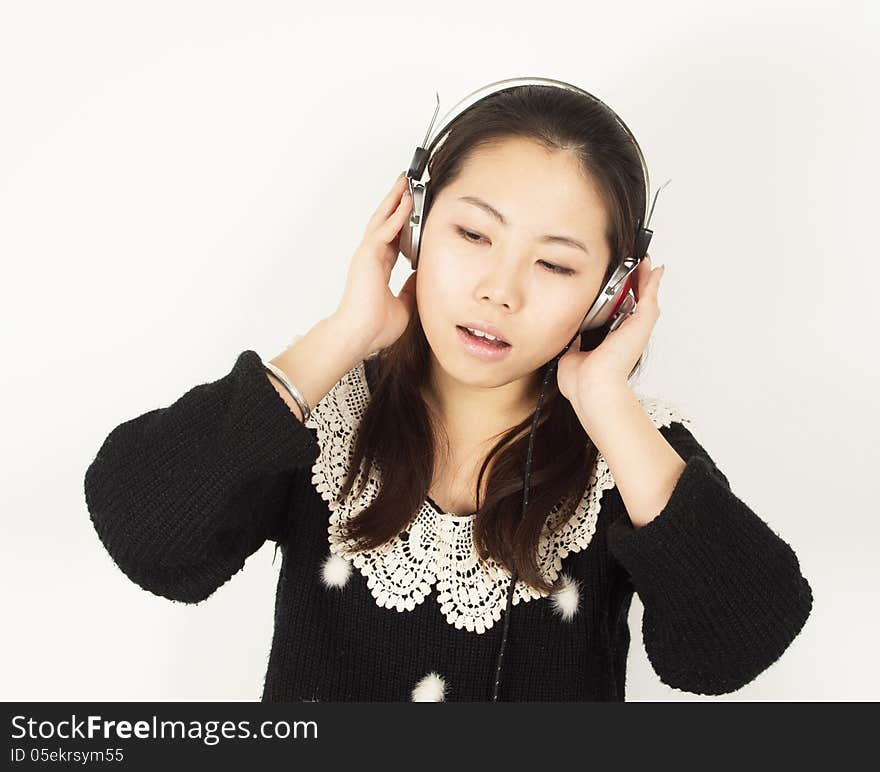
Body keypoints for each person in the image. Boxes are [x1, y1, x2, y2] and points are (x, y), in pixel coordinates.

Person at [84, 84, 813, 701]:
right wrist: (345, 332)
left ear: (610, 294)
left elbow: (733, 648)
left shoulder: (630, 454)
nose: (500, 290)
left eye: (555, 266)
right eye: (472, 234)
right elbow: (147, 535)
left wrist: (606, 403)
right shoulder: (322, 417)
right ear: (416, 227)